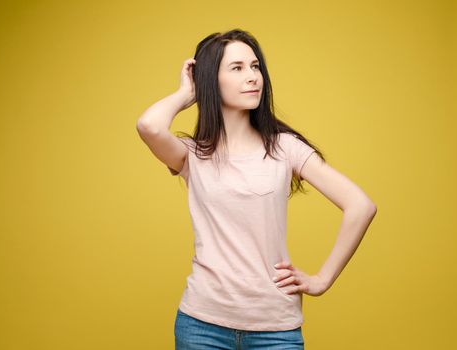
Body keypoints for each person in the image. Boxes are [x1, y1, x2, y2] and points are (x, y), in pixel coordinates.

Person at [136, 28, 377, 350]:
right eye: (236, 68)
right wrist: (187, 92)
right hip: (201, 325)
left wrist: (321, 280)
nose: (253, 77)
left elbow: (360, 206)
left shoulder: (285, 148)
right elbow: (149, 126)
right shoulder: (191, 154)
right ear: (210, 80)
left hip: (276, 328)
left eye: (255, 66)